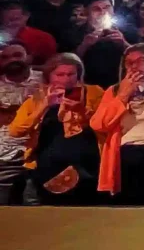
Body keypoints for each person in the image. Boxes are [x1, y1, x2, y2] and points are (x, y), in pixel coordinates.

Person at [90, 43, 144, 204]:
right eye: (129, 62)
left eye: (141, 60)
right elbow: (99, 125)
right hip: (128, 153)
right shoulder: (114, 91)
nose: (134, 66)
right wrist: (123, 96)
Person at [11, 53, 102, 204]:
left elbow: (102, 124)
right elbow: (16, 130)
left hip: (85, 161)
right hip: (48, 163)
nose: (66, 79)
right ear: (49, 76)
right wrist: (44, 105)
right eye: (60, 74)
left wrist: (81, 111)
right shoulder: (37, 98)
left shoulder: (93, 92)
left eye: (71, 74)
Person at [0, 42, 43, 202]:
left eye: (17, 55)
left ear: (29, 57)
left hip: (38, 155)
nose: (12, 60)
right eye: (5, 57)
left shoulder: (47, 79)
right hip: (4, 157)